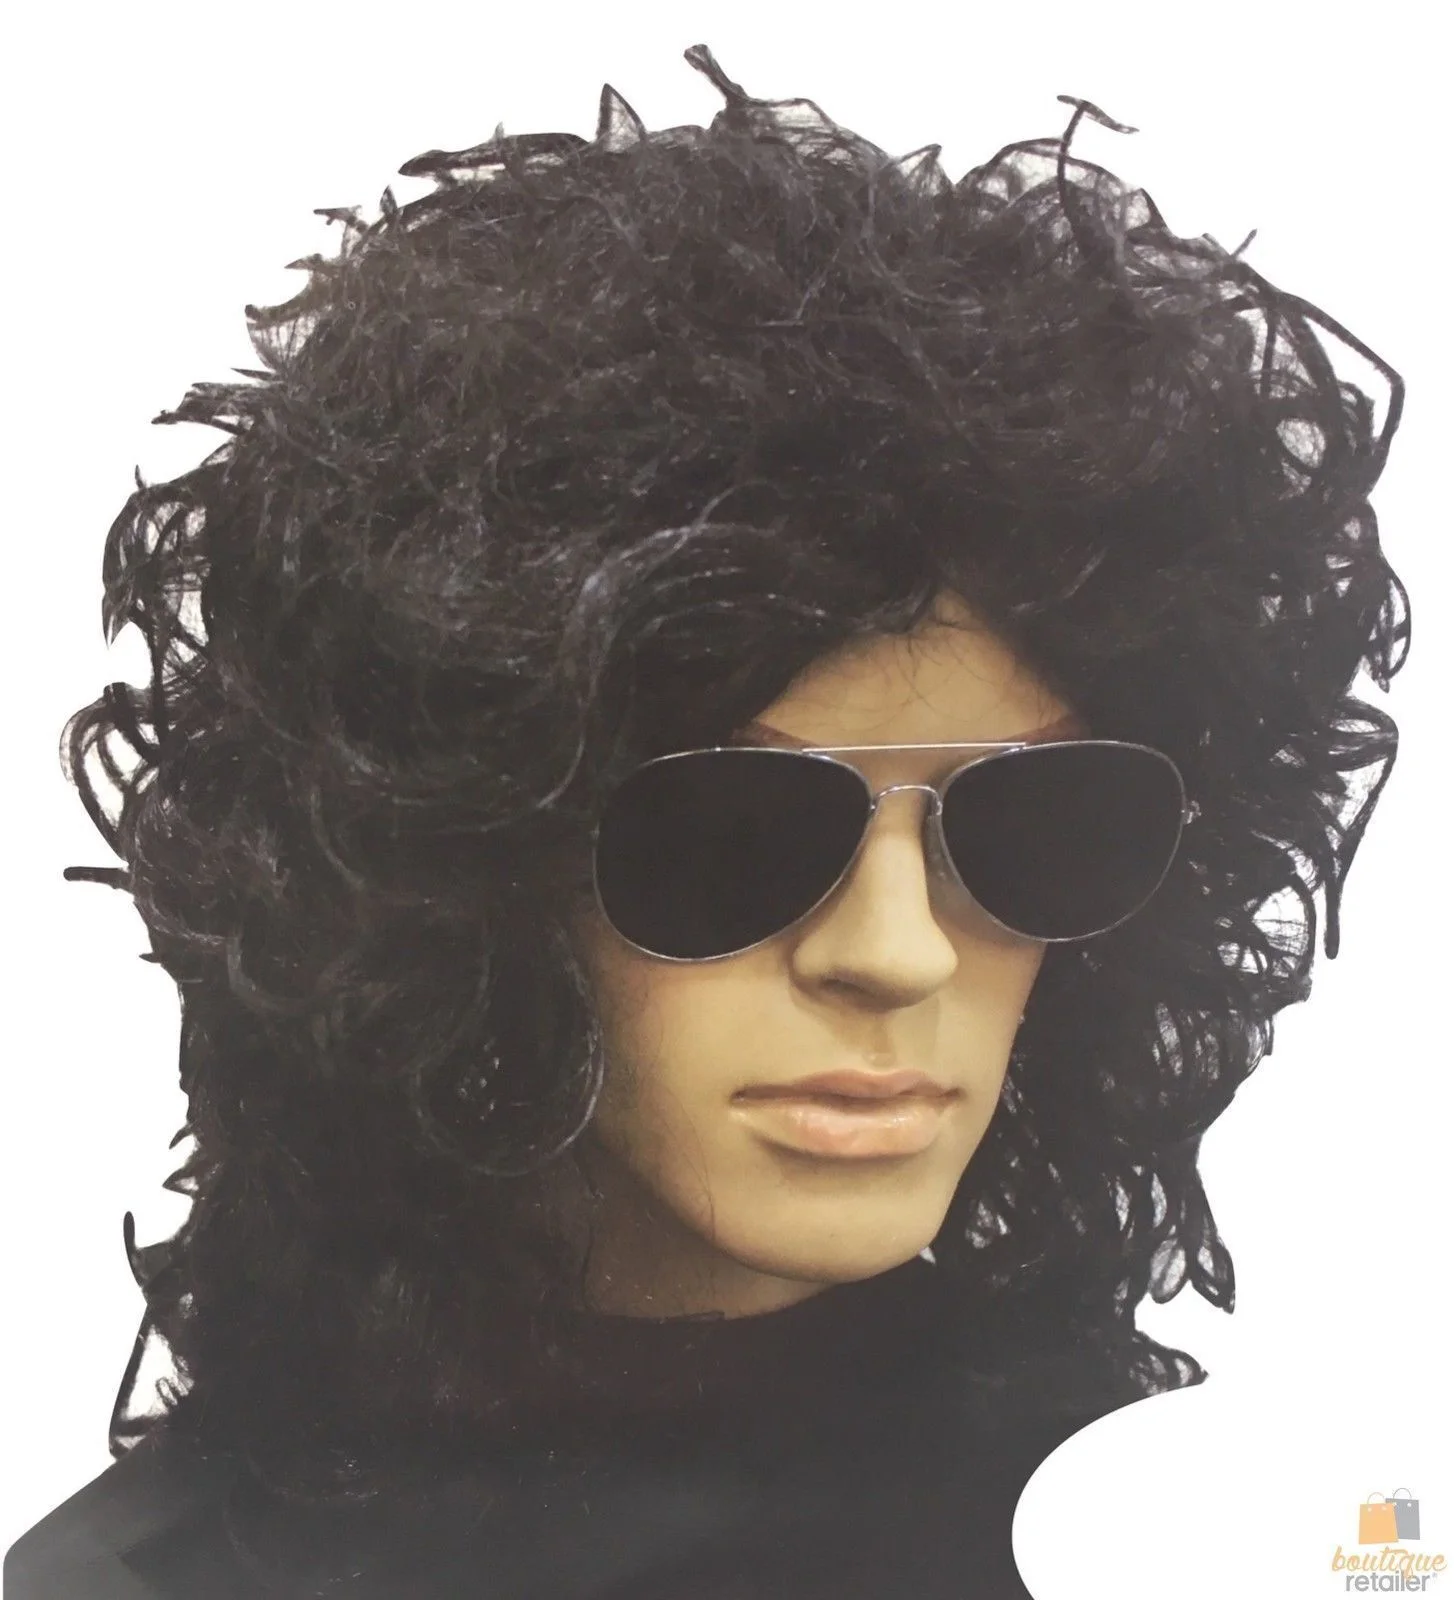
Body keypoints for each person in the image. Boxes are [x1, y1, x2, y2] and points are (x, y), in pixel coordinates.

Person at [4, 40, 1409, 1600]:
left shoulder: (1197, 1545)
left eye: (1039, 820)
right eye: (732, 830)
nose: (897, 953)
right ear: (455, 866)